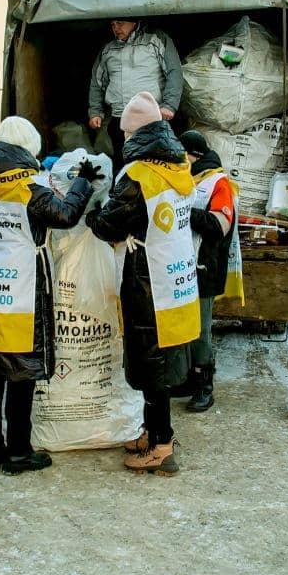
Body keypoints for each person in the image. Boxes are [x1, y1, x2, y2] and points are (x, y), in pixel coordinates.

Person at [0, 116, 103, 475]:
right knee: (21, 374)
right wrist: (83, 182)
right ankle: (19, 452)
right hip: (23, 291)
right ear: (28, 148)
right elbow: (66, 214)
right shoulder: (28, 187)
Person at [85, 92, 199, 476]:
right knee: (164, 359)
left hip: (147, 281)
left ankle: (161, 447)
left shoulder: (137, 175)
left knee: (152, 363)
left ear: (133, 134)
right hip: (176, 279)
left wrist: (91, 213)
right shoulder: (178, 166)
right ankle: (153, 432)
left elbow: (108, 224)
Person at [176, 129, 237, 413]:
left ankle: (205, 385)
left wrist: (182, 210)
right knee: (184, 327)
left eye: (181, 154)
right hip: (184, 266)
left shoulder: (217, 183)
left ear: (194, 155)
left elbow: (218, 226)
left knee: (200, 330)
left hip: (205, 267)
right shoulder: (184, 180)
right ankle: (189, 379)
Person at [87, 19, 183, 173]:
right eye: (112, 25)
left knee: (154, 166)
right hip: (120, 120)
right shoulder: (108, 49)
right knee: (123, 166)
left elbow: (174, 72)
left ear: (133, 22)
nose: (116, 28)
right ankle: (123, 196)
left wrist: (169, 105)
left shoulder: (155, 39)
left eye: (120, 23)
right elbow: (97, 82)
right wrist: (95, 111)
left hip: (151, 118)